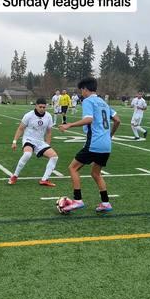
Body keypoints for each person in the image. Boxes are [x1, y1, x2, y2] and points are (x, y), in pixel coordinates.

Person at [59, 77, 120, 213]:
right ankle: (105, 203)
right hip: (106, 145)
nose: (82, 93)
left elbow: (89, 119)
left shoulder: (88, 101)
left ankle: (77, 200)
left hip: (94, 143)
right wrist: (109, 135)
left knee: (73, 168)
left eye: (82, 91)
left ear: (85, 89)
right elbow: (117, 120)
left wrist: (69, 124)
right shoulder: (103, 102)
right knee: (96, 173)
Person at [8, 97, 58, 187]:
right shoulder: (29, 115)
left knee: (54, 157)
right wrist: (14, 141)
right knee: (27, 154)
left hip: (40, 142)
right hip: (28, 139)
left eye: (44, 107)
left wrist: (47, 145)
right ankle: (14, 176)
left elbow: (49, 132)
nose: (42, 109)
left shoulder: (48, 116)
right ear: (36, 106)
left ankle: (44, 180)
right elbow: (20, 129)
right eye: (40, 107)